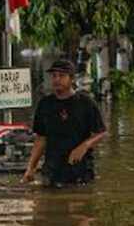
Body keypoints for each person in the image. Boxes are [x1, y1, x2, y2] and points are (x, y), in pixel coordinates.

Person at [22, 59, 107, 187]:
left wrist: (84, 146)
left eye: (61, 76)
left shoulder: (85, 103)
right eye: (54, 76)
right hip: (52, 170)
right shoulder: (45, 104)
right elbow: (41, 138)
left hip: (79, 169)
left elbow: (101, 132)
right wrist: (31, 168)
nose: (57, 80)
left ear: (71, 79)